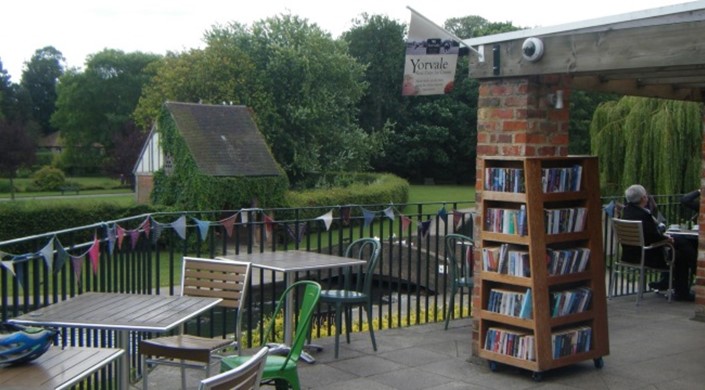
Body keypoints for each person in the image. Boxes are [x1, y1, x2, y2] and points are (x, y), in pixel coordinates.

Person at [620, 184, 695, 301]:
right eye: (646, 195)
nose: (647, 197)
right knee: (680, 254)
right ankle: (683, 291)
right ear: (643, 198)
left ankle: (669, 283)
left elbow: (649, 234)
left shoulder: (626, 211)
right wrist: (667, 239)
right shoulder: (643, 215)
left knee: (680, 245)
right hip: (646, 255)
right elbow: (652, 236)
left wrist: (666, 238)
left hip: (629, 254)